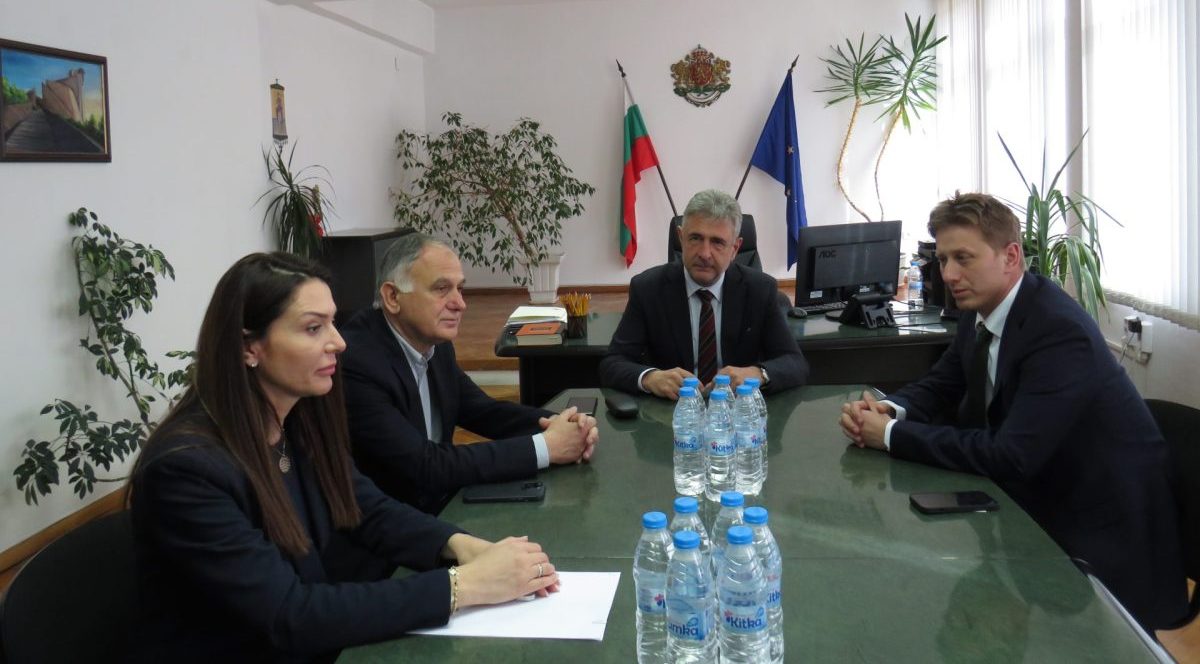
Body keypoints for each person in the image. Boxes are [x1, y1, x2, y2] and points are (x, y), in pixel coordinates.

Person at [129, 253, 561, 662]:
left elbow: (366, 509)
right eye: (313, 328)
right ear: (248, 348)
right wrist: (463, 585)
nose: (338, 342)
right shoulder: (185, 470)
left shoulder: (297, 420)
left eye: (333, 323)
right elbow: (291, 615)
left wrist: (464, 546)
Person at [838, 192, 1187, 631]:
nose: (948, 274)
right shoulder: (981, 310)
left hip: (1101, 532)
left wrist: (889, 435)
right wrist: (889, 408)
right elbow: (942, 383)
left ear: (1011, 257)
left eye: (963, 258)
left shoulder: (1057, 330)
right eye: (943, 259)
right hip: (1039, 497)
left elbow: (1011, 454)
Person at [341, 233, 598, 514]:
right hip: (390, 523)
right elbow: (423, 466)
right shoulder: (357, 361)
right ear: (392, 297)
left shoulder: (434, 343)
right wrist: (545, 447)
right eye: (442, 289)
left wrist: (564, 425)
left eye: (460, 289)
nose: (460, 303)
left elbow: (482, 410)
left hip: (435, 506)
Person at [599, 189, 808, 400]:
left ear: (735, 248)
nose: (704, 253)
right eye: (695, 238)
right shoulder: (648, 289)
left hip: (738, 411)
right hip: (672, 411)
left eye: (717, 242)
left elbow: (795, 363)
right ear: (681, 238)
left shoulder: (760, 290)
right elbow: (612, 363)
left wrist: (757, 374)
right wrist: (650, 378)